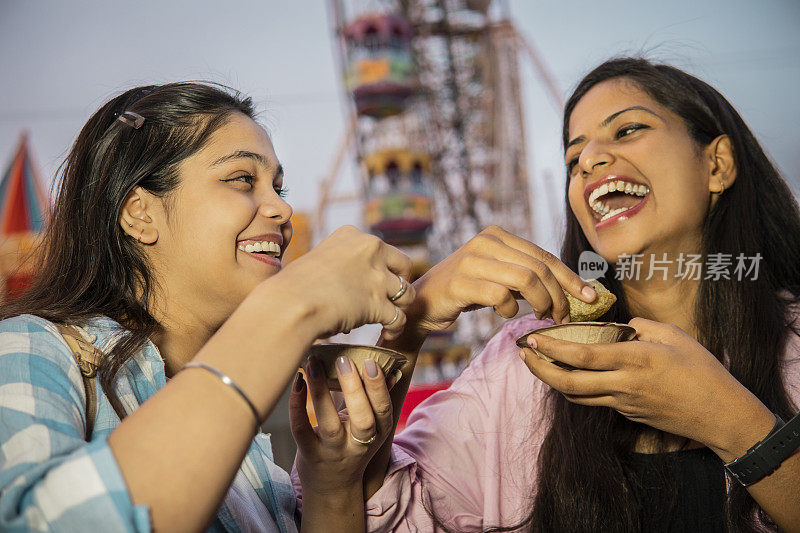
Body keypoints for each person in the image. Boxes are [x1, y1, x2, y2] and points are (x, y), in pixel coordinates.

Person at [291, 57, 800, 531]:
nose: (589, 161)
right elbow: (365, 509)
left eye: (628, 130)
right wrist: (411, 323)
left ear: (717, 165)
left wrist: (729, 419)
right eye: (574, 156)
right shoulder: (526, 364)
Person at [0, 82, 419, 532]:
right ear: (140, 213)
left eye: (278, 187)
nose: (281, 208)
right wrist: (290, 305)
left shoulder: (253, 459)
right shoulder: (28, 347)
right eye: (243, 179)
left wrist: (332, 487)